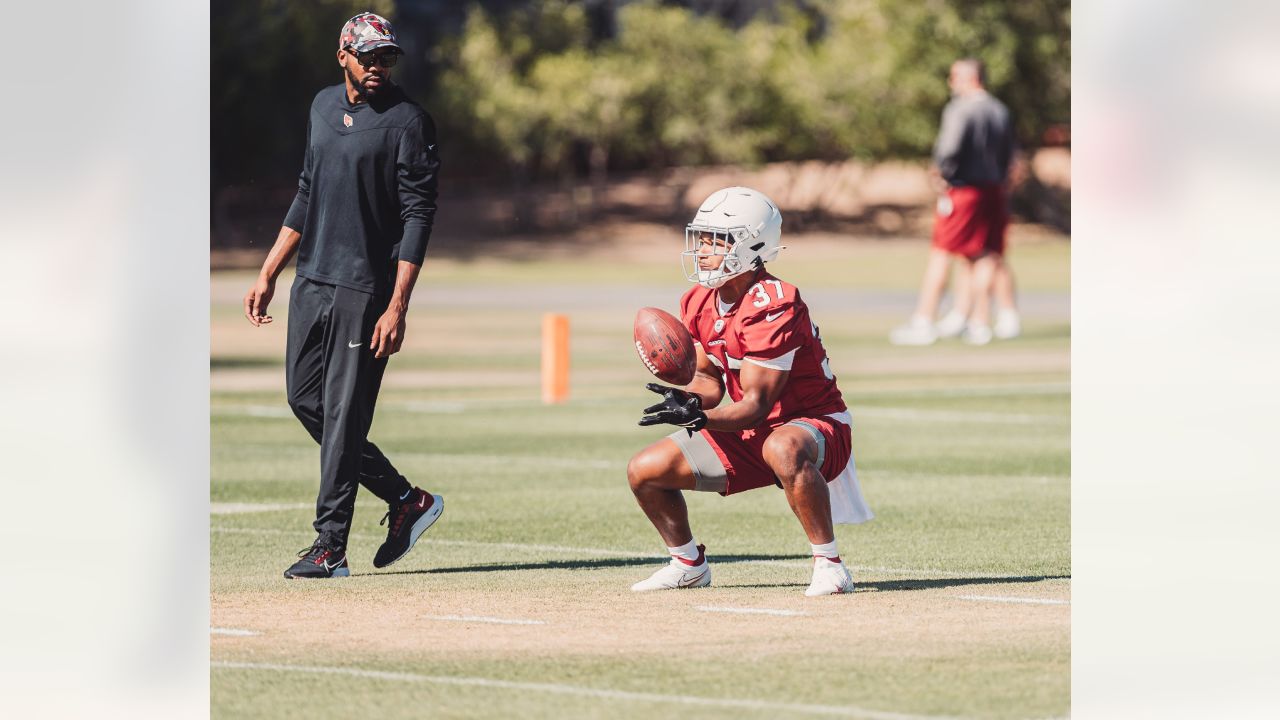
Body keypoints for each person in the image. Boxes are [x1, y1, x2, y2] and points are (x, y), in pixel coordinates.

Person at [242, 13, 444, 579]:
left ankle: (330, 547)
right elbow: (307, 190)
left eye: (387, 58)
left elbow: (418, 216)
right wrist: (270, 271)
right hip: (312, 282)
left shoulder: (409, 122)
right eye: (369, 56)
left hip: (365, 291)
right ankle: (406, 499)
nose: (379, 66)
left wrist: (397, 304)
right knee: (305, 401)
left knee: (342, 416)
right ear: (343, 56)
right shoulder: (322, 107)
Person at [627, 187, 874, 596]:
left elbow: (758, 404)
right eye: (702, 238)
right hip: (754, 431)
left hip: (813, 425)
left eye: (716, 240)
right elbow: (710, 381)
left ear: (752, 245)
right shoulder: (698, 300)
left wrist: (702, 418)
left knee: (782, 447)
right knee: (645, 471)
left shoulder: (775, 303)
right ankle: (688, 563)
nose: (703, 249)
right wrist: (690, 401)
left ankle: (830, 564)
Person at [890, 58, 1022, 346]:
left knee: (941, 252)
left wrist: (939, 175)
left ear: (968, 78)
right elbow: (1013, 158)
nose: (951, 83)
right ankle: (979, 322)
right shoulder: (1000, 110)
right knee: (985, 254)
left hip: (963, 192)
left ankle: (924, 320)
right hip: (993, 191)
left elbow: (949, 149)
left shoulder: (961, 108)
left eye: (954, 77)